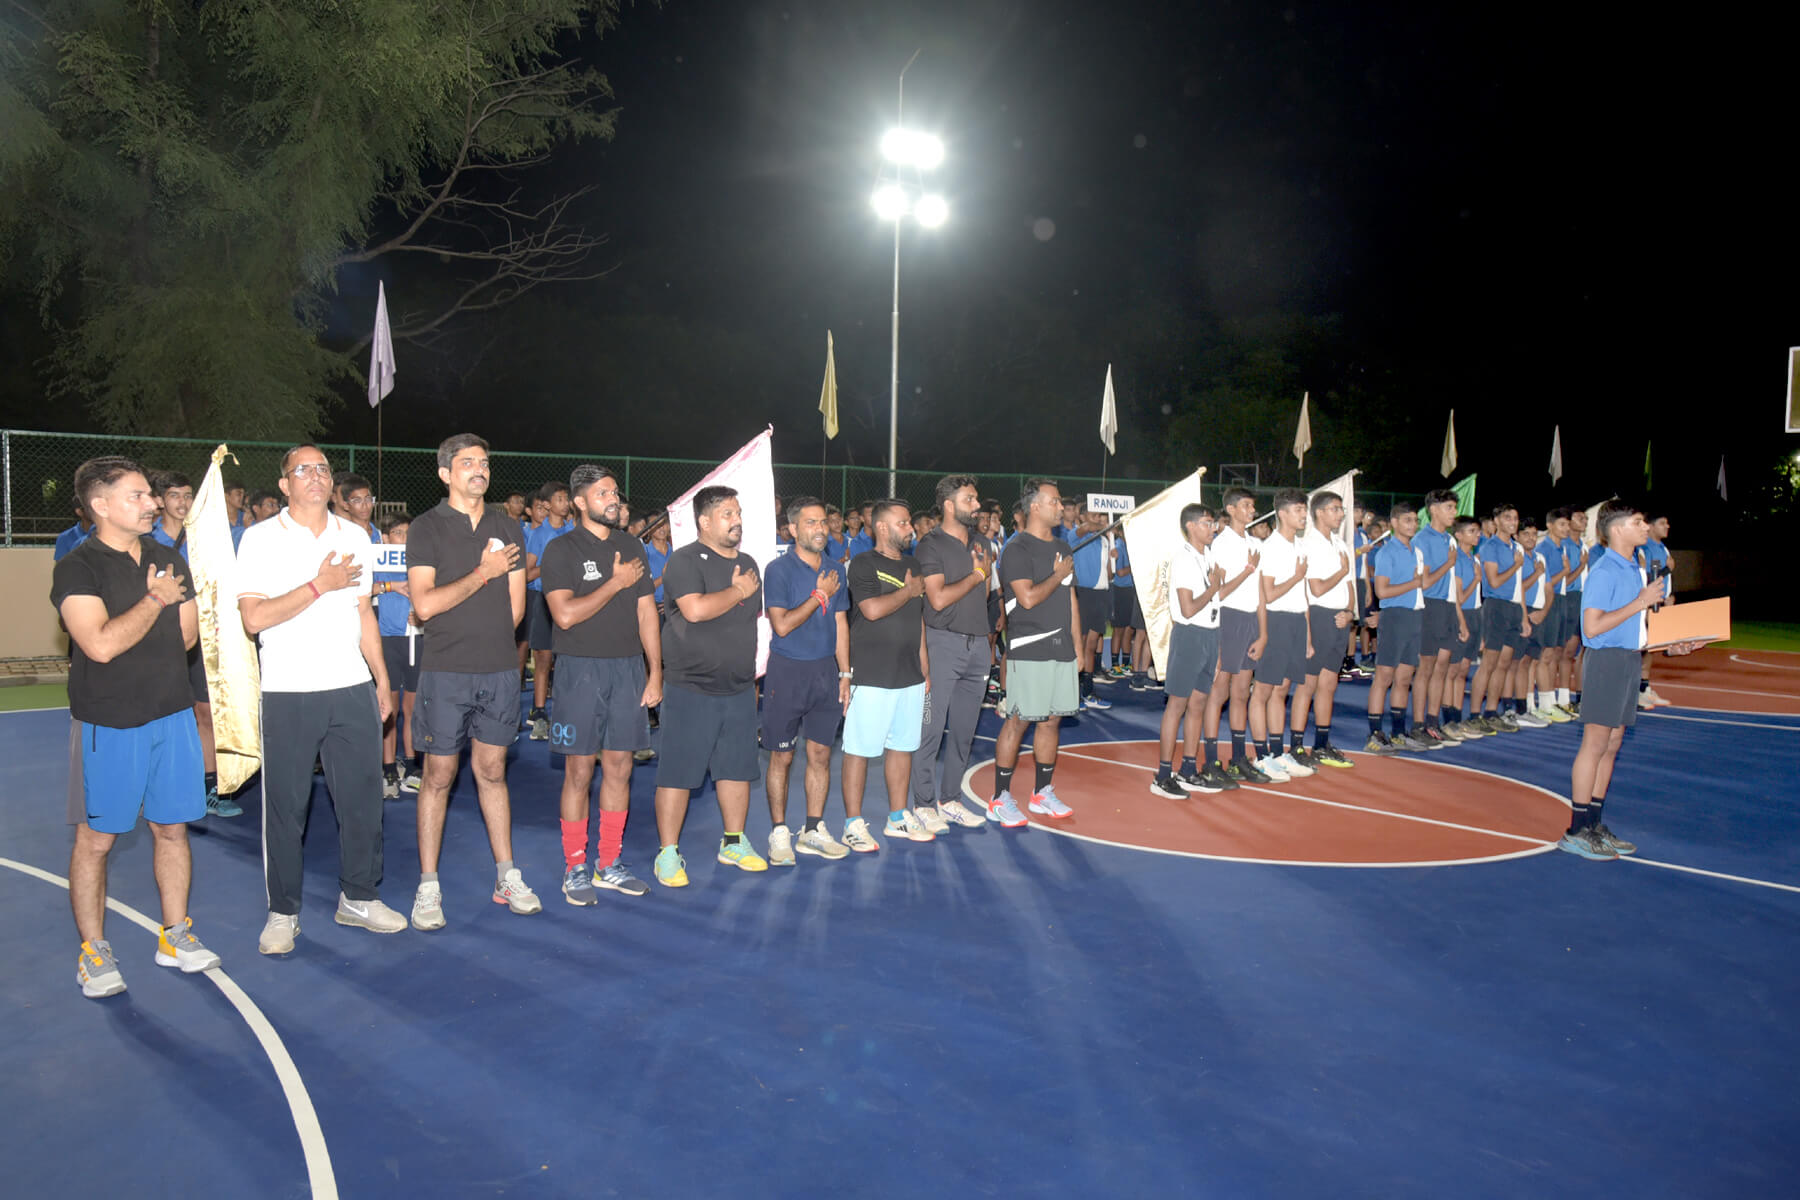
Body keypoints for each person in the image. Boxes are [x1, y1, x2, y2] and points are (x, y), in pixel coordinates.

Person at [52, 455, 222, 997]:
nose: (152, 503)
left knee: (172, 828)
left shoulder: (169, 557)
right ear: (100, 506)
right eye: (137, 495)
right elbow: (99, 645)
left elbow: (188, 638)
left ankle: (176, 935)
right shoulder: (78, 568)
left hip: (171, 716)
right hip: (110, 723)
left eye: (150, 494)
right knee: (97, 840)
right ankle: (94, 951)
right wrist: (154, 601)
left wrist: (156, 610)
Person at [237, 444, 406, 954]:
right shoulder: (260, 539)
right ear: (285, 484)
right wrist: (318, 584)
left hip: (351, 685)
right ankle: (283, 912)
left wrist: (379, 678)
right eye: (302, 470)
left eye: (323, 469)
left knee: (362, 802)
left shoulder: (354, 534)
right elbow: (254, 618)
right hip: (289, 690)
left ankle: (359, 896)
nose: (315, 476)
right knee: (287, 808)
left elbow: (363, 615)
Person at [404, 433, 539, 929]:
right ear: (445, 473)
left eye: (484, 462)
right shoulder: (426, 527)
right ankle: (428, 885)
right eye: (466, 463)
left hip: (500, 670)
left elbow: (517, 607)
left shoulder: (508, 526)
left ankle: (507, 873)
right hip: (445, 670)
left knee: (492, 771)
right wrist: (483, 574)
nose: (478, 469)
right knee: (438, 776)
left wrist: (496, 642)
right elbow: (424, 605)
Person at [540, 465, 661, 904]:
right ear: (579, 501)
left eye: (614, 491)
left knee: (621, 768)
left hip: (628, 670)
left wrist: (656, 671)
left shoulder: (632, 545)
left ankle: (609, 862)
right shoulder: (561, 550)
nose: (613, 498)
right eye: (602, 492)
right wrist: (614, 583)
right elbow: (565, 616)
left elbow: (647, 611)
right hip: (579, 671)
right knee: (578, 771)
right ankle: (576, 866)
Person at [1558, 501, 1703, 859]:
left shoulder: (1635, 569)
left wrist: (1674, 646)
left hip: (1627, 660)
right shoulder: (1606, 569)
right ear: (1617, 529)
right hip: (1605, 661)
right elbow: (1591, 629)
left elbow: (1638, 627)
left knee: (1612, 743)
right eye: (1638, 522)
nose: (1644, 528)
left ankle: (1594, 822)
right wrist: (1640, 602)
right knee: (1595, 743)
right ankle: (1576, 830)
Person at [653, 486, 768, 885]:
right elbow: (695, 610)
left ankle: (733, 842)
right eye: (727, 514)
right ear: (704, 521)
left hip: (737, 688)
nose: (736, 520)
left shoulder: (750, 563)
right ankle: (668, 853)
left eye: (738, 512)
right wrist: (737, 591)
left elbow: (750, 620)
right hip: (691, 687)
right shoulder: (684, 561)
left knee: (736, 770)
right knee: (678, 773)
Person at [760, 496, 853, 864]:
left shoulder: (836, 569)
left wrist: (845, 672)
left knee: (820, 754)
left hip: (825, 673)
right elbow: (781, 625)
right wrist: (819, 595)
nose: (820, 528)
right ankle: (780, 832)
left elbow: (842, 623)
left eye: (824, 522)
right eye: (811, 522)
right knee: (781, 756)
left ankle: (812, 830)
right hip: (788, 670)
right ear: (793, 529)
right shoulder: (778, 570)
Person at [842, 499, 935, 849]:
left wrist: (924, 663)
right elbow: (871, 610)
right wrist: (909, 590)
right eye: (902, 523)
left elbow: (919, 617)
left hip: (909, 673)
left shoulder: (913, 563)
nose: (910, 528)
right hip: (871, 673)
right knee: (859, 751)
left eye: (909, 522)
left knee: (902, 747)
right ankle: (853, 823)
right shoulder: (863, 564)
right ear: (882, 528)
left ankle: (897, 817)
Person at [990, 479, 1080, 826]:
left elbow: (1071, 600)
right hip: (1029, 649)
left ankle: (1042, 793)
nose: (1061, 507)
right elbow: (1026, 599)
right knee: (1019, 721)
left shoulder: (1061, 546)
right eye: (1055, 501)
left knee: (1052, 719)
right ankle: (999, 797)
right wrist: (1058, 575)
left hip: (1061, 650)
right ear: (1035, 507)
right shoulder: (1017, 549)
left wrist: (1075, 646)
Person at [910, 476, 995, 831]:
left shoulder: (982, 543)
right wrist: (977, 574)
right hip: (942, 643)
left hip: (978, 644)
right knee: (930, 729)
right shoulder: (930, 545)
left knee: (963, 731)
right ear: (949, 504)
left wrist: (982, 573)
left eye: (976, 499)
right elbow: (938, 599)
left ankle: (950, 801)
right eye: (969, 499)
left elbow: (988, 593)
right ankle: (924, 804)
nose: (977, 506)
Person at [148, 470, 234, 816]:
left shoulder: (206, 538)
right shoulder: (145, 541)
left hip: (199, 638)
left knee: (205, 712)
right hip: (155, 642)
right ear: (159, 501)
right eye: (175, 496)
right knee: (156, 713)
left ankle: (210, 785)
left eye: (188, 496)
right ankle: (154, 783)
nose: (183, 503)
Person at [1149, 504, 1233, 798]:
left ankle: (1187, 769)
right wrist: (1214, 587)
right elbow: (1188, 608)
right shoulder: (1183, 559)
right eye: (1208, 523)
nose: (1213, 528)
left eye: (1213, 523)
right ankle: (1162, 774)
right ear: (1191, 526)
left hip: (1209, 636)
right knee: (1177, 705)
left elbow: (1215, 603)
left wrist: (1218, 646)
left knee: (1198, 705)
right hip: (1189, 637)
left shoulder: (1207, 556)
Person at [1204, 487, 1273, 783]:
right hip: (1228, 619)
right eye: (1246, 506)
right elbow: (1218, 593)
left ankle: (1238, 758)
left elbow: (1260, 593)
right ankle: (1210, 761)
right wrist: (1246, 570)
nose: (1251, 511)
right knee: (1218, 692)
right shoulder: (1220, 545)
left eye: (1253, 507)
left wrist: (1264, 633)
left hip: (1250, 621)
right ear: (1231, 510)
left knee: (1242, 692)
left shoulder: (1255, 543)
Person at [1249, 490, 1315, 780]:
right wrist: (1297, 577)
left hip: (1297, 623)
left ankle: (1278, 752)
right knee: (1263, 690)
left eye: (1305, 509)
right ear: (1283, 513)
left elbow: (1303, 596)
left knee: (1282, 690)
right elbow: (1270, 594)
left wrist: (1309, 635)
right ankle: (1262, 756)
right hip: (1275, 622)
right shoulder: (1271, 547)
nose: (1303, 515)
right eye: (1299, 509)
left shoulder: (1299, 546)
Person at [1290, 490, 1356, 769]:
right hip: (1318, 616)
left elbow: (1350, 585)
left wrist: (1350, 612)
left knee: (1329, 684)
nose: (1341, 514)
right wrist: (1340, 572)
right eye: (1335, 509)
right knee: (1308, 684)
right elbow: (1315, 588)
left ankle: (1321, 744)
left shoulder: (1340, 543)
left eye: (1341, 509)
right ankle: (1295, 748)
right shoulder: (1309, 544)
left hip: (1340, 619)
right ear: (1318, 512)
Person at [1365, 502, 1429, 754]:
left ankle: (1398, 732)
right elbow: (1382, 591)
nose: (1413, 525)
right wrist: (1414, 583)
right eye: (1407, 520)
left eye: (1415, 520)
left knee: (1404, 678)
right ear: (1394, 523)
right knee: (1384, 677)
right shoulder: (1386, 552)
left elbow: (1422, 584)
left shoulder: (1416, 551)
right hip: (1394, 617)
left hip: (1414, 616)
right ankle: (1374, 734)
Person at [1467, 503, 1532, 733]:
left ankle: (1491, 712)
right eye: (1507, 518)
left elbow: (1519, 588)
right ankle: (1474, 715)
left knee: (1504, 665)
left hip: (1514, 609)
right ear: (1496, 521)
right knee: (1489, 664)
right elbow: (1493, 582)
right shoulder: (1490, 547)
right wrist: (1515, 565)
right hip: (1496, 607)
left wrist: (1524, 616)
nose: (1513, 522)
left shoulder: (1517, 548)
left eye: (1515, 518)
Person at [374, 513, 423, 796]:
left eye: (408, 532)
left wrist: (423, 615)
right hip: (389, 640)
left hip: (417, 640)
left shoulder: (420, 562)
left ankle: (413, 763)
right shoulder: (378, 562)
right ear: (386, 538)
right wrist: (391, 586)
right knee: (389, 708)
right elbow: (361, 591)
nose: (404, 538)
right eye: (398, 533)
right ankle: (388, 767)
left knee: (413, 708)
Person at [1411, 489, 1462, 750]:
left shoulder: (1449, 540)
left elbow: (1452, 583)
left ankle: (1433, 722)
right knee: (1426, 667)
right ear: (1434, 509)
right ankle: (1418, 725)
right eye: (1449, 507)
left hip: (1448, 607)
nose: (1453, 512)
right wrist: (1448, 564)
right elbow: (1425, 583)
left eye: (1455, 508)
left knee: (1442, 666)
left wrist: (1459, 617)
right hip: (1430, 606)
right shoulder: (1423, 539)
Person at [523, 480, 573, 739]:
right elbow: (528, 573)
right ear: (547, 505)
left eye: (567, 498)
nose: (565, 503)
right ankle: (539, 712)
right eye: (560, 499)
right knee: (543, 658)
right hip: (543, 599)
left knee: (567, 659)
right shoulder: (538, 534)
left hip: (570, 600)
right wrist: (550, 565)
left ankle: (568, 711)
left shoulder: (573, 530)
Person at [1438, 516, 1483, 740]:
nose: (1477, 535)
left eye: (1478, 531)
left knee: (1462, 671)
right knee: (1452, 671)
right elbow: (1459, 596)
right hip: (1460, 615)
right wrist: (1476, 581)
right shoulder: (1457, 561)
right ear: (1459, 535)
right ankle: (1449, 720)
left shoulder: (1473, 559)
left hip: (1474, 615)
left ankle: (1457, 718)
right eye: (1472, 531)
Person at [1639, 513, 1673, 708]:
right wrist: (1667, 569)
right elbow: (1648, 575)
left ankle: (1644, 688)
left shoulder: (1662, 548)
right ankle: (1636, 690)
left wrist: (1669, 595)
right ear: (1650, 527)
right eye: (1662, 523)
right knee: (1643, 647)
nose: (1667, 526)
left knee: (1651, 647)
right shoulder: (1645, 549)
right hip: (1649, 603)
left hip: (1660, 601)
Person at [334, 473, 382, 543]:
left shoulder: (381, 536)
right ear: (346, 505)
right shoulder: (340, 535)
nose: (364, 505)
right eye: (357, 500)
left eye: (368, 499)